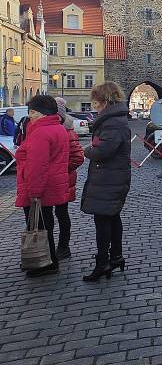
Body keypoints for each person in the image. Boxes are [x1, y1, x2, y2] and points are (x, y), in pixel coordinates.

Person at [81, 82, 131, 282]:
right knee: (111, 217)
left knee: (102, 220)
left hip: (109, 178)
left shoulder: (112, 122)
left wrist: (87, 150)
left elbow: (104, 151)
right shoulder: (116, 119)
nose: (94, 106)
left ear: (105, 101)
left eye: (95, 102)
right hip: (112, 177)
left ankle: (103, 263)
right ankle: (116, 257)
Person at [15, 95, 69, 277]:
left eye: (32, 111)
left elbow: (38, 166)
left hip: (39, 187)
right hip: (52, 184)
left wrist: (34, 192)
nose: (29, 115)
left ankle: (45, 262)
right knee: (45, 224)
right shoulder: (58, 128)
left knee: (39, 226)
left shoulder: (40, 132)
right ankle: (48, 259)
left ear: (42, 113)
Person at [53, 97, 85, 260]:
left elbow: (78, 157)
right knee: (48, 216)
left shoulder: (67, 130)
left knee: (61, 214)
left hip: (63, 180)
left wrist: (59, 171)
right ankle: (49, 249)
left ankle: (63, 247)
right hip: (48, 182)